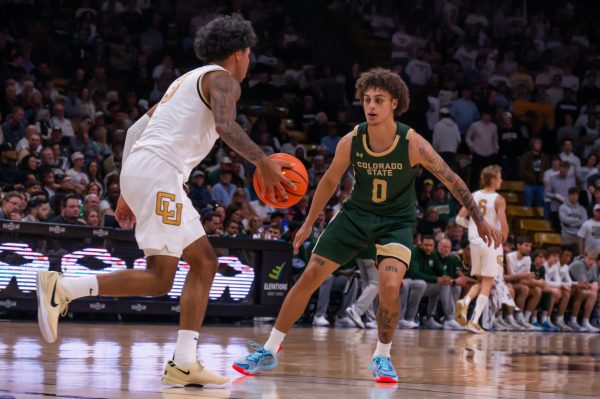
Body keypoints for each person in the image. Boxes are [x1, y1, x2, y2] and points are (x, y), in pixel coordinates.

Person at [36, 15, 292, 388]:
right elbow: (225, 126)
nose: (249, 62)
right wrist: (263, 161)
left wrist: (127, 186)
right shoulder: (222, 79)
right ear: (240, 53)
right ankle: (63, 289)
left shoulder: (184, 81)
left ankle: (183, 363)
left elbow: (136, 129)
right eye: (249, 54)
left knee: (189, 267)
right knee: (177, 270)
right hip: (159, 173)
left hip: (151, 171)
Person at [233, 68, 501, 382]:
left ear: (395, 104)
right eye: (366, 100)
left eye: (379, 100)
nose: (370, 106)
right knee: (308, 277)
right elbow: (330, 181)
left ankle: (382, 357)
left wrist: (479, 219)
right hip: (354, 217)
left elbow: (452, 179)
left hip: (395, 223)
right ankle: (269, 350)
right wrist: (307, 224)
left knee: (389, 287)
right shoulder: (352, 140)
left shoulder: (413, 143)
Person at [455, 165, 509, 334]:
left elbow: (458, 219)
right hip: (491, 242)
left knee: (481, 281)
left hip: (474, 242)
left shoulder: (473, 195)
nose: (501, 180)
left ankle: (466, 302)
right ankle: (473, 319)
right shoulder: (499, 199)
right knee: (488, 282)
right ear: (493, 179)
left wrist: (472, 226)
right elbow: (504, 224)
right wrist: (503, 241)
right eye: (499, 176)